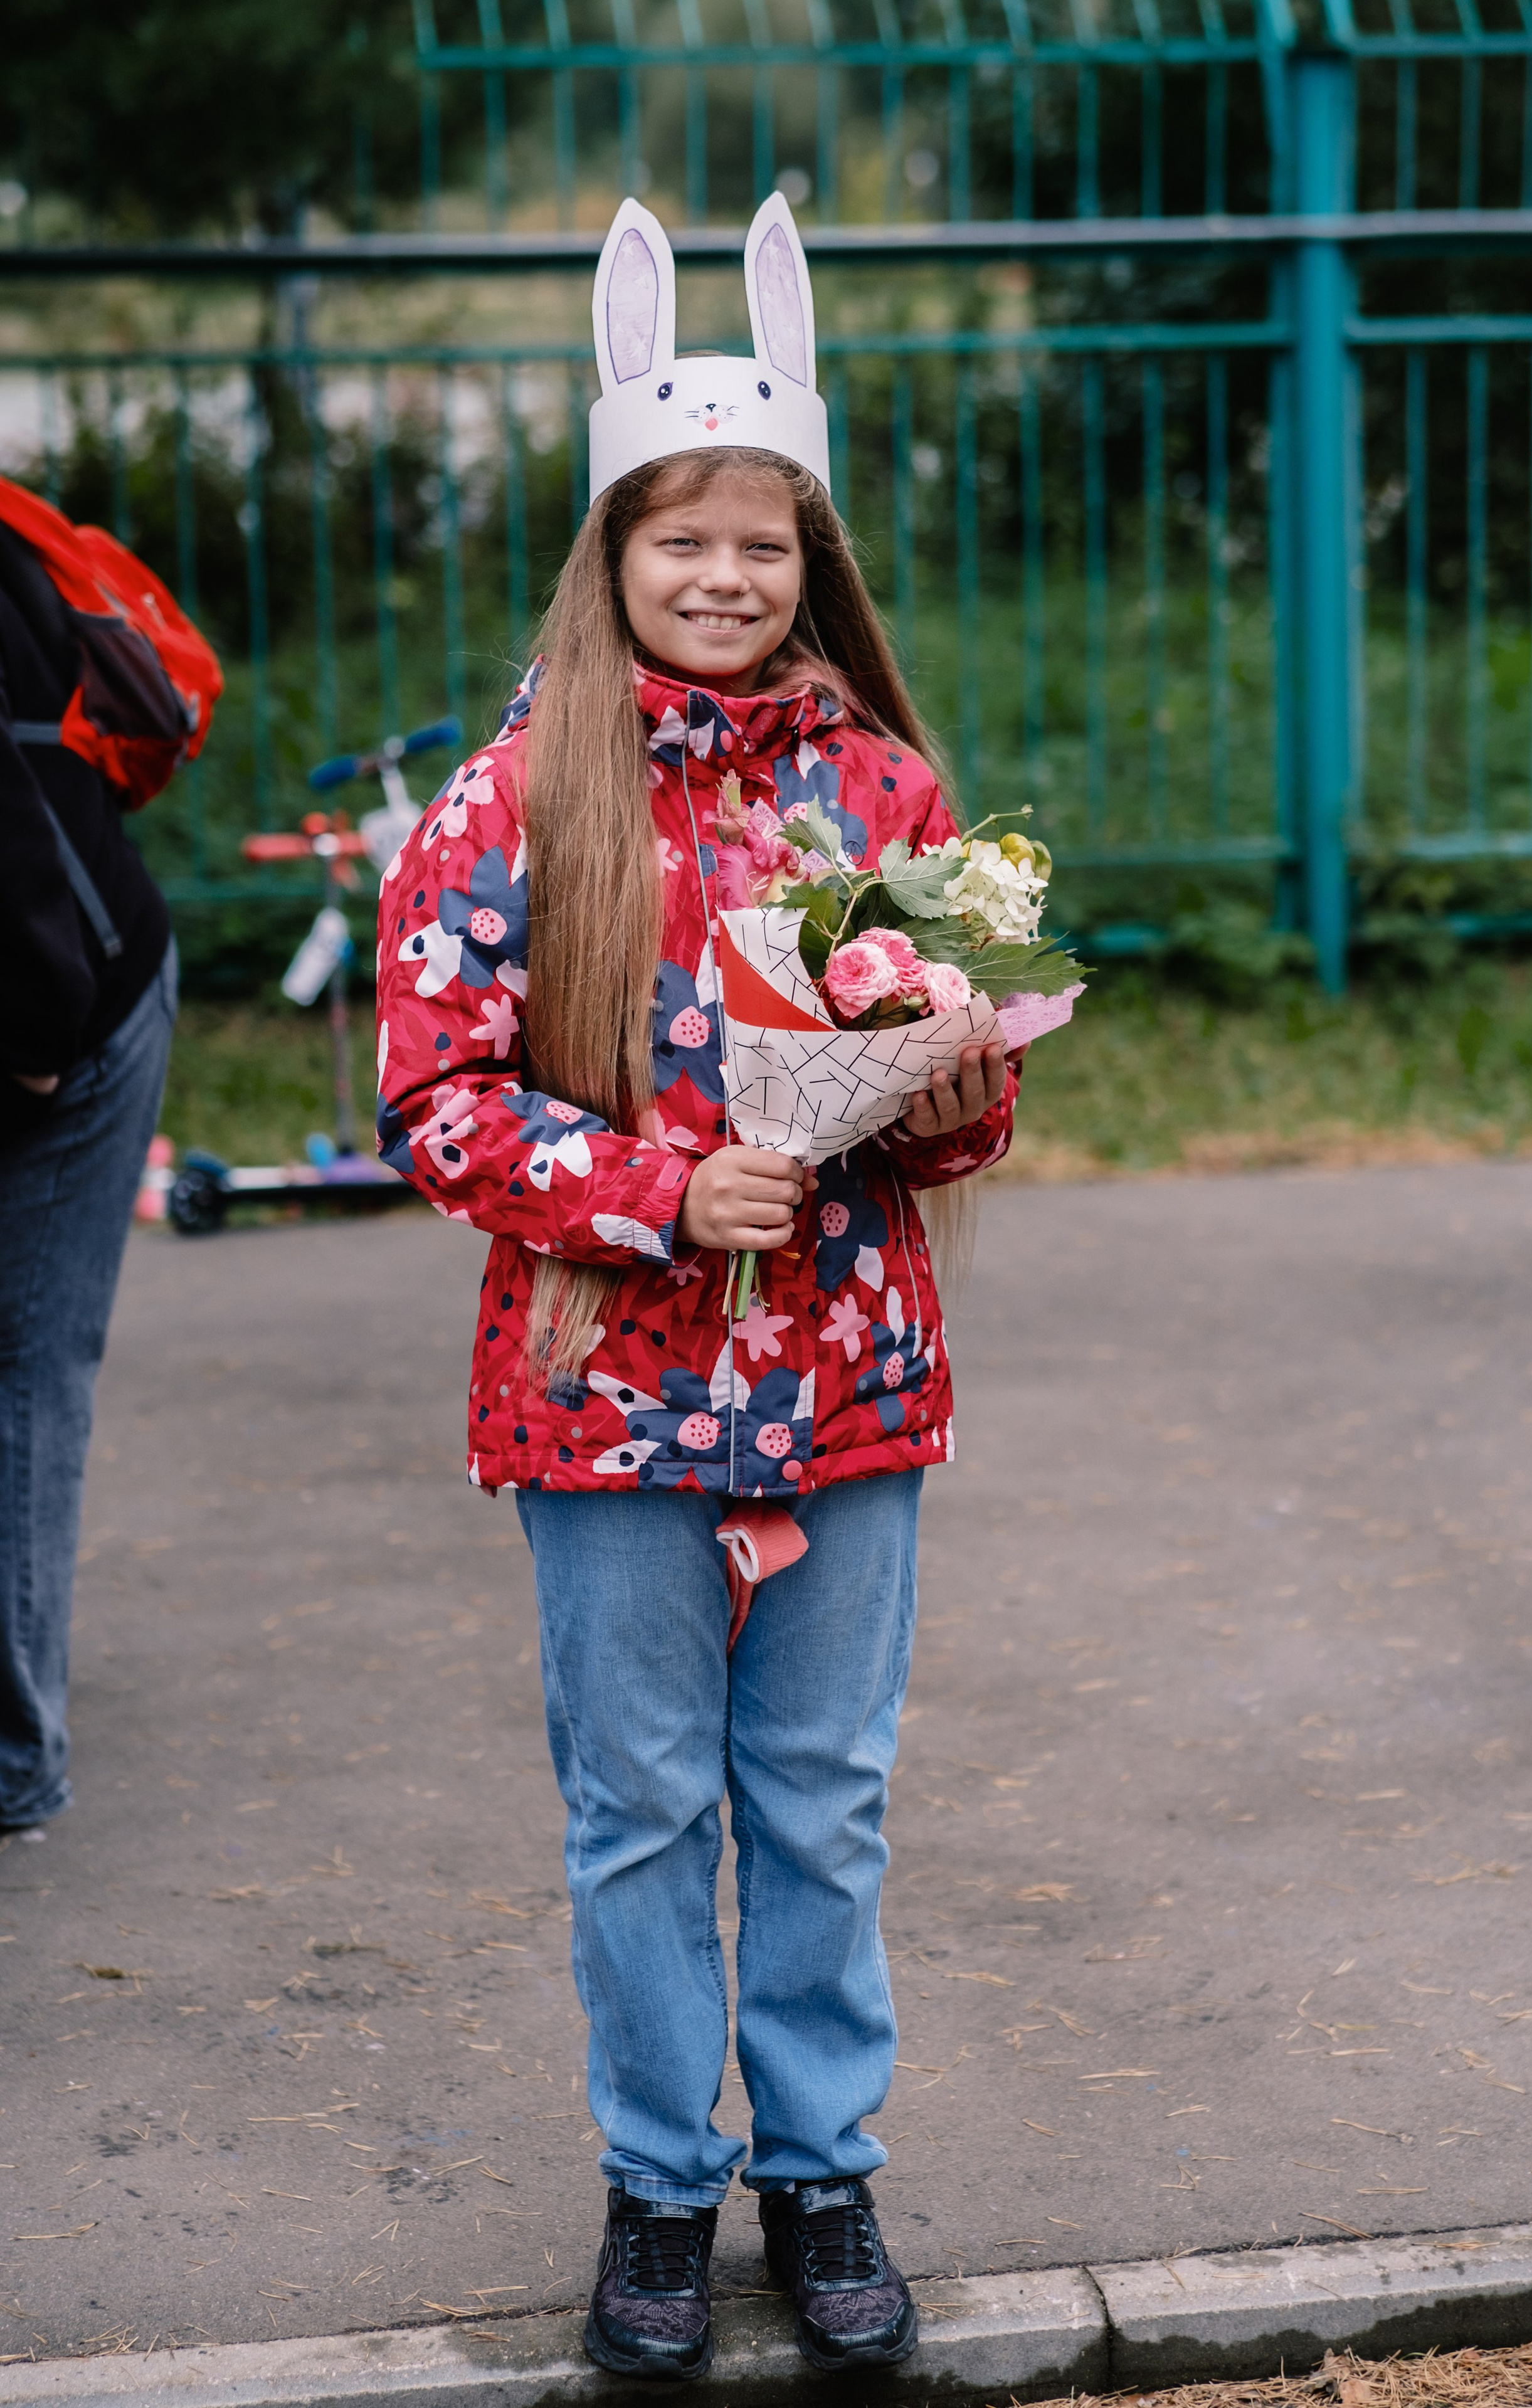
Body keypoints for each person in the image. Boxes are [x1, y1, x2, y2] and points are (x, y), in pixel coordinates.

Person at [375, 194, 1018, 2382]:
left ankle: (822, 2170)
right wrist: (661, 1187)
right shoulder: (508, 806)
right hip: (608, 1390)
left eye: (765, 541)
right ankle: (661, 2186)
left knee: (823, 1793)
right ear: (614, 551)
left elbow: (966, 1107)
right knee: (641, 1799)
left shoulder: (884, 792)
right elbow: (438, 1107)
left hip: (847, 1378)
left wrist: (930, 1080)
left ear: (812, 557)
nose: (726, 576)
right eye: (682, 542)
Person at [0, 511, 182, 1840]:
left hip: (60, 1005)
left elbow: (14, 857)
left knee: (22, 1362)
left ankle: (13, 1756)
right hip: (42, 979)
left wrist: (31, 1045)